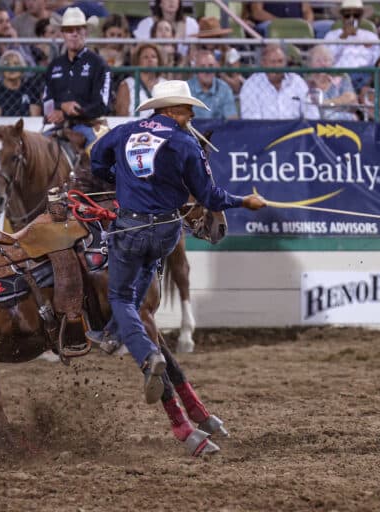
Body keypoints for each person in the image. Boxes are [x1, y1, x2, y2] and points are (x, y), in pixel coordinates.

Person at [89, 79, 266, 403]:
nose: (190, 117)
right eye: (187, 110)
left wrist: (120, 177)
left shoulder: (124, 132)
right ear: (170, 109)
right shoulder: (185, 144)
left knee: (121, 297)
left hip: (130, 228)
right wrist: (245, 201)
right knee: (143, 275)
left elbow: (97, 159)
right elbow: (209, 195)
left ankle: (146, 354)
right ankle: (112, 335)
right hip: (165, 232)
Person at [42, 7, 111, 149]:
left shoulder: (99, 64)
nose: (74, 34)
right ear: (63, 34)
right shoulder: (54, 65)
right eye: (69, 30)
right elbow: (46, 100)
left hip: (90, 126)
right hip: (60, 127)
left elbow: (102, 105)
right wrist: (60, 107)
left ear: (85, 32)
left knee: (96, 152)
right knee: (36, 149)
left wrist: (74, 112)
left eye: (78, 30)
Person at [239, 44, 318, 120]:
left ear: (285, 63)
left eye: (280, 61)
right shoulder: (251, 85)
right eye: (273, 62)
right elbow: (251, 120)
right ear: (263, 63)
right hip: (265, 131)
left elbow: (312, 114)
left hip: (295, 132)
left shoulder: (297, 81)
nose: (276, 66)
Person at [323, 0, 380, 91]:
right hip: (340, 74)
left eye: (356, 15)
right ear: (342, 17)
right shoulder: (332, 35)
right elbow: (327, 60)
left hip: (364, 75)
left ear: (361, 17)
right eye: (347, 15)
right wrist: (342, 39)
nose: (351, 19)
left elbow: (378, 61)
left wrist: (370, 48)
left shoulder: (370, 36)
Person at [0, 50, 41, 116]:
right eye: (7, 64)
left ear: (22, 68)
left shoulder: (31, 89)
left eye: (16, 64)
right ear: (1, 69)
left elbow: (35, 115)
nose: (12, 67)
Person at [306, 44, 357, 121]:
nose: (323, 64)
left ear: (332, 63)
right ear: (310, 64)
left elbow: (351, 99)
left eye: (326, 60)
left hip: (341, 122)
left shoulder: (341, 79)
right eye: (318, 61)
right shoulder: (305, 83)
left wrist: (324, 103)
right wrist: (338, 103)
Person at [133, 0, 199, 59]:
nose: (171, 1)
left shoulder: (191, 23)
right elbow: (139, 52)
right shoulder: (146, 24)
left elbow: (194, 53)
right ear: (160, 3)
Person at [115, 43, 166, 117]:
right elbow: (121, 116)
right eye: (145, 57)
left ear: (159, 61)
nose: (150, 60)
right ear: (137, 61)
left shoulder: (166, 84)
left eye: (154, 57)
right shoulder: (126, 85)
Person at [186, 50, 238, 119]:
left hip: (218, 129)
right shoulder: (186, 89)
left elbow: (232, 119)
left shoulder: (224, 89)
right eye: (202, 66)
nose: (207, 70)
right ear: (196, 69)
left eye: (211, 66)